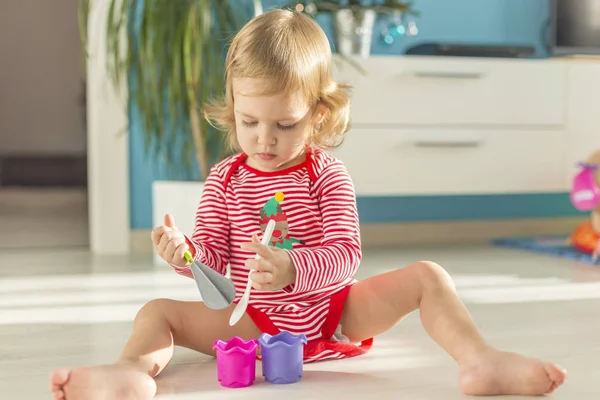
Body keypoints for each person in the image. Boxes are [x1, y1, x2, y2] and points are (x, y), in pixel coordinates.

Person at [50, 9, 567, 400]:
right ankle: (131, 371)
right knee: (156, 311)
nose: (263, 139)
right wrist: (184, 254)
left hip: (337, 313)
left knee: (429, 275)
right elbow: (214, 271)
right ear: (234, 105)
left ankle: (481, 361)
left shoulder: (325, 174)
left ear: (317, 114)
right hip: (253, 319)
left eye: (285, 124)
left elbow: (346, 253)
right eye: (249, 121)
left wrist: (294, 268)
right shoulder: (225, 181)